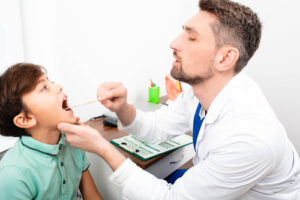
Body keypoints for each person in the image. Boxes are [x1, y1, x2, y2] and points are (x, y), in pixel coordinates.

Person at [58, 0, 300, 199]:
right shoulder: (201, 90)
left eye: (191, 38)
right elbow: (156, 129)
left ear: (225, 58)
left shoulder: (250, 139)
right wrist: (122, 108)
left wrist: (102, 147)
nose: (174, 44)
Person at [0, 63, 103, 199]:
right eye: (43, 88)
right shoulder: (12, 175)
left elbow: (92, 196)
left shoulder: (73, 140)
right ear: (25, 119)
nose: (59, 86)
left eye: (51, 82)